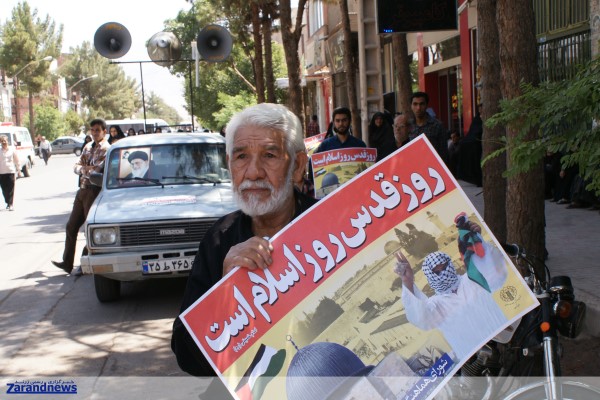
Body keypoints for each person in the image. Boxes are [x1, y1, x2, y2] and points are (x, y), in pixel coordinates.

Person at [171, 103, 317, 394]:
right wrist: (225, 293)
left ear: (298, 165)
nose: (252, 172)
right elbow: (188, 358)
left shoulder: (330, 224)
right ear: (229, 165)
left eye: (270, 155)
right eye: (241, 157)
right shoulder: (218, 241)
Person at [394, 251, 506, 360]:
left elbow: (497, 273)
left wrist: (477, 241)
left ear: (450, 263)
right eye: (437, 272)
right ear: (430, 276)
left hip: (504, 340)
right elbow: (421, 318)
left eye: (444, 267)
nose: (443, 273)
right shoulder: (436, 304)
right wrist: (408, 282)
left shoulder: (472, 279)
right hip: (474, 359)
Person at [52, 119, 110, 276]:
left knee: (89, 229)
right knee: (71, 226)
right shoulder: (87, 146)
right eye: (92, 130)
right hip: (82, 189)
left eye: (97, 130)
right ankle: (67, 262)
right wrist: (85, 169)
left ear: (104, 131)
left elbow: (95, 171)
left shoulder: (106, 149)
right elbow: (76, 166)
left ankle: (85, 263)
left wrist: (84, 169)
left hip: (93, 190)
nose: (94, 133)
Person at [408, 92, 448, 163]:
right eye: (415, 104)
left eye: (421, 104)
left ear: (426, 105)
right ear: (411, 106)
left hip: (432, 166)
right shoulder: (408, 125)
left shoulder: (437, 125)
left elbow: (443, 153)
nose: (418, 108)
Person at [0, 135, 20, 211]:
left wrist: (19, 170)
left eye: (5, 141)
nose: (4, 142)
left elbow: (16, 160)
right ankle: (7, 202)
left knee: (11, 188)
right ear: (0, 142)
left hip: (10, 171)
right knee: (4, 189)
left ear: (7, 141)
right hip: (1, 173)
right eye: (2, 141)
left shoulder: (12, 150)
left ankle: (11, 204)